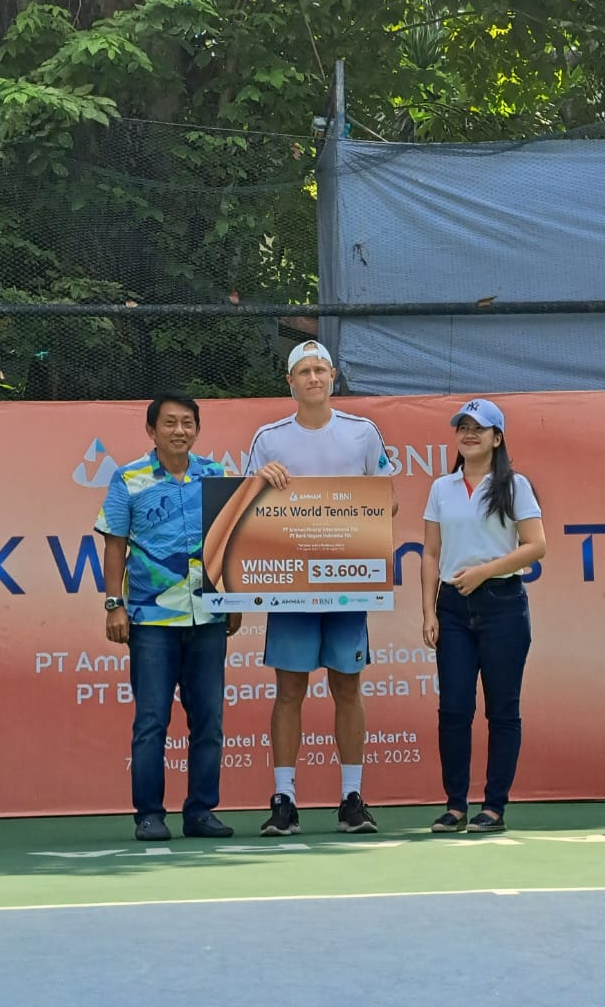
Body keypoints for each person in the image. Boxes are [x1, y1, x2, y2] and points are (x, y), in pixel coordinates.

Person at [245, 339, 397, 837]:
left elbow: (387, 502)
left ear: (333, 376)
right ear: (289, 382)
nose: (313, 378)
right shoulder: (268, 438)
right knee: (289, 689)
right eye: (303, 371)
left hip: (347, 584)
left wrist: (350, 515)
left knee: (346, 686)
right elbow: (245, 512)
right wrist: (260, 482)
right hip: (290, 588)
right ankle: (284, 800)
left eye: (320, 370)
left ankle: (352, 798)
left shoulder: (363, 433)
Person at [95, 391, 241, 842]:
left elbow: (231, 542)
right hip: (151, 621)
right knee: (152, 721)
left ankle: (200, 812)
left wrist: (232, 601)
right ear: (152, 430)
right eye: (171, 423)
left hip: (208, 620)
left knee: (209, 721)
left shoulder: (216, 476)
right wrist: (114, 604)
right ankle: (149, 815)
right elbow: (114, 546)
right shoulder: (129, 479)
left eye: (188, 423)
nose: (180, 431)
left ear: (198, 429)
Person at [421, 398, 546, 835]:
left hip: (503, 604)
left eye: (480, 428)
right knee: (453, 708)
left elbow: (535, 545)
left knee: (502, 711)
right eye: (463, 427)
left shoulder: (515, 485)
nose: (469, 434)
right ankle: (455, 806)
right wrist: (428, 611)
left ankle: (493, 807)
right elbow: (431, 552)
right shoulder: (442, 487)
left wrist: (484, 572)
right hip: (452, 607)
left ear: (497, 438)